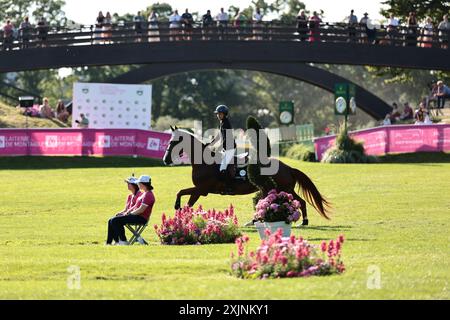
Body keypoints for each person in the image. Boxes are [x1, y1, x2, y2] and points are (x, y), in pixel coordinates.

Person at [106, 175, 154, 245]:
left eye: (139, 183)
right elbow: (136, 206)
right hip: (137, 216)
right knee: (113, 220)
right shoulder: (145, 194)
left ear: (143, 184)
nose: (138, 185)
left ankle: (123, 241)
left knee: (115, 220)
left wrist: (129, 214)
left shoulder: (148, 195)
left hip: (141, 218)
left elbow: (141, 210)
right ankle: (112, 242)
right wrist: (126, 213)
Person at [209, 105, 236, 192]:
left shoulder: (226, 123)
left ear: (224, 114)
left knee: (222, 168)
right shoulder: (221, 122)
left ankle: (229, 187)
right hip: (226, 148)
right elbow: (219, 136)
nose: (218, 115)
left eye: (220, 114)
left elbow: (226, 138)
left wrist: (219, 148)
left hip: (230, 148)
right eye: (217, 114)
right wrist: (210, 143)